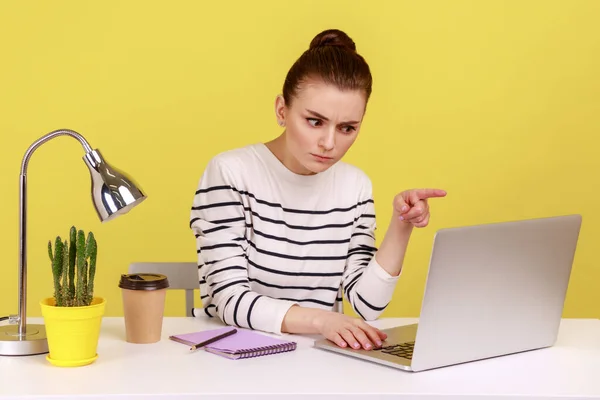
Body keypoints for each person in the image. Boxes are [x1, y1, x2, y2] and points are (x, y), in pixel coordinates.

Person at [189, 28, 446, 351]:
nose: (329, 143)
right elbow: (229, 299)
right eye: (314, 121)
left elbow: (368, 306)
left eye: (347, 128)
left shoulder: (355, 186)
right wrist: (323, 320)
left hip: (319, 357)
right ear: (282, 110)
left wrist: (402, 225)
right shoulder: (230, 172)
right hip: (234, 354)